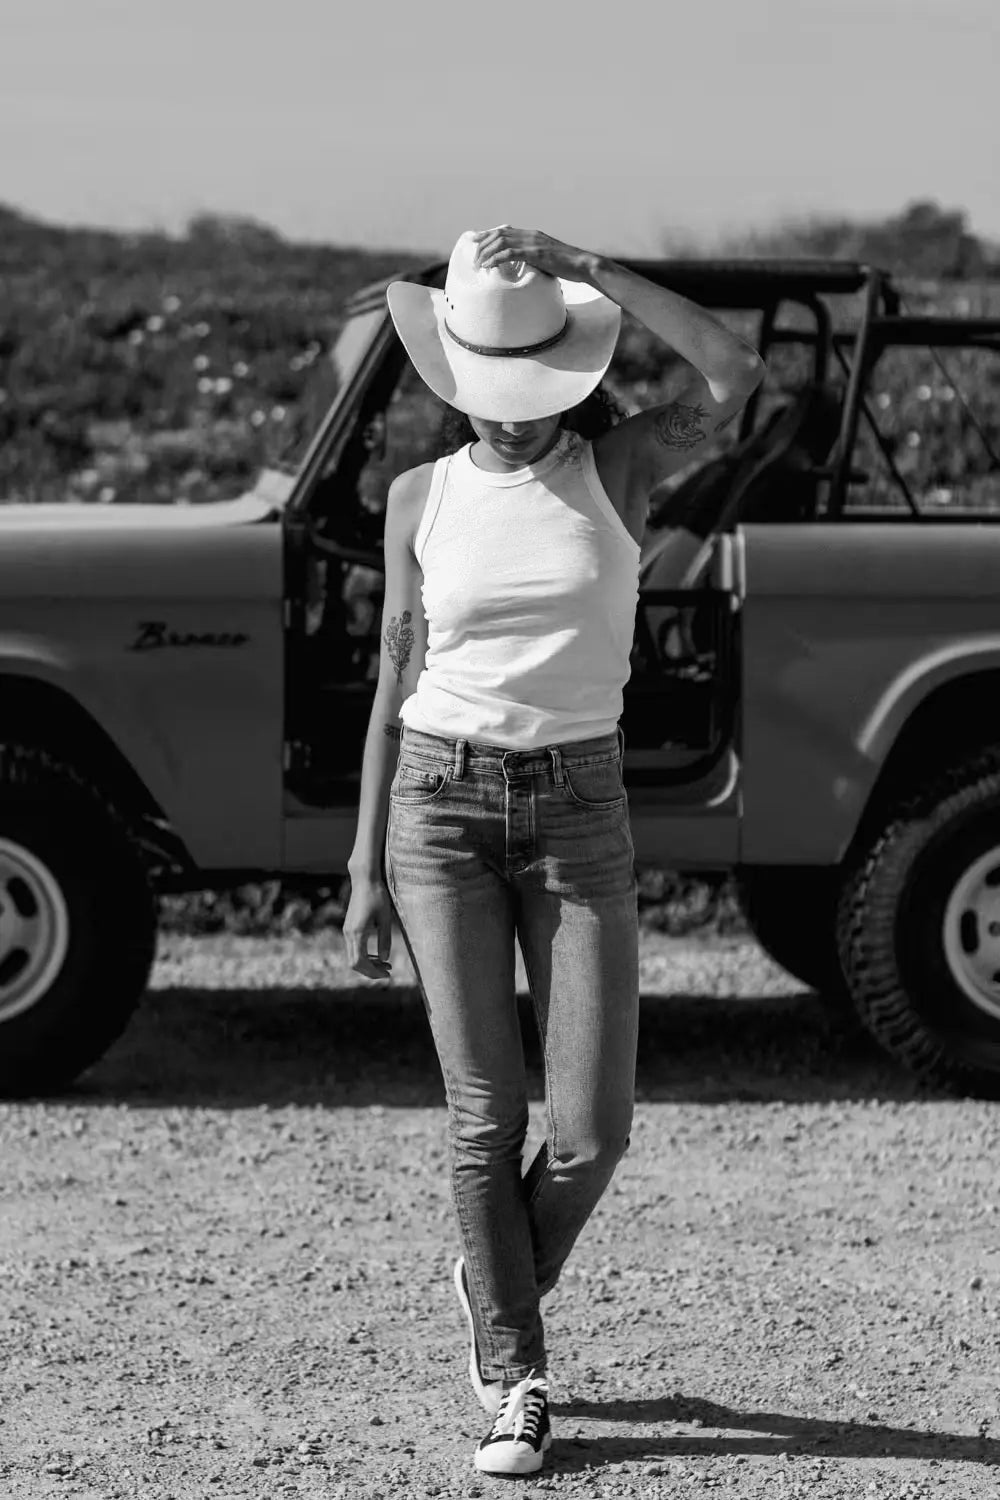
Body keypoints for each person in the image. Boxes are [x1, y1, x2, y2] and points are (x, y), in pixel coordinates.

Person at [343, 225, 765, 1476]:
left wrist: (595, 266)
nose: (516, 418)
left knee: (590, 1131)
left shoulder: (621, 466)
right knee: (483, 1115)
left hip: (581, 813)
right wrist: (365, 873)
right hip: (439, 809)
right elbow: (393, 683)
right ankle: (519, 1378)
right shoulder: (420, 500)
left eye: (537, 389)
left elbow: (732, 372)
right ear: (455, 376)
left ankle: (487, 1270)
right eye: (493, 391)